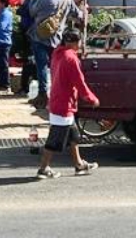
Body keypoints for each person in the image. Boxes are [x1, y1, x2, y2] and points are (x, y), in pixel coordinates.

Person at [37, 30, 99, 179]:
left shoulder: (57, 54)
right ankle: (43, 169)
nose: (80, 45)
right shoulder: (71, 58)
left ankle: (79, 164)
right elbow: (79, 82)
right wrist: (91, 98)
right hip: (64, 103)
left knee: (73, 136)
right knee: (54, 139)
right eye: (79, 42)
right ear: (72, 42)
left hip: (57, 99)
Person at [27, 0, 84, 110]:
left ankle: (42, 94)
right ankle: (55, 93)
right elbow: (79, 15)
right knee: (55, 68)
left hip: (39, 37)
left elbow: (32, 12)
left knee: (41, 67)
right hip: (57, 38)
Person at [0, 0, 14, 92]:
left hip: (3, 41)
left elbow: (2, 27)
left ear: (3, 3)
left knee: (4, 64)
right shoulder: (0, 13)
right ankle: (1, 84)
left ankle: (6, 85)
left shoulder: (6, 14)